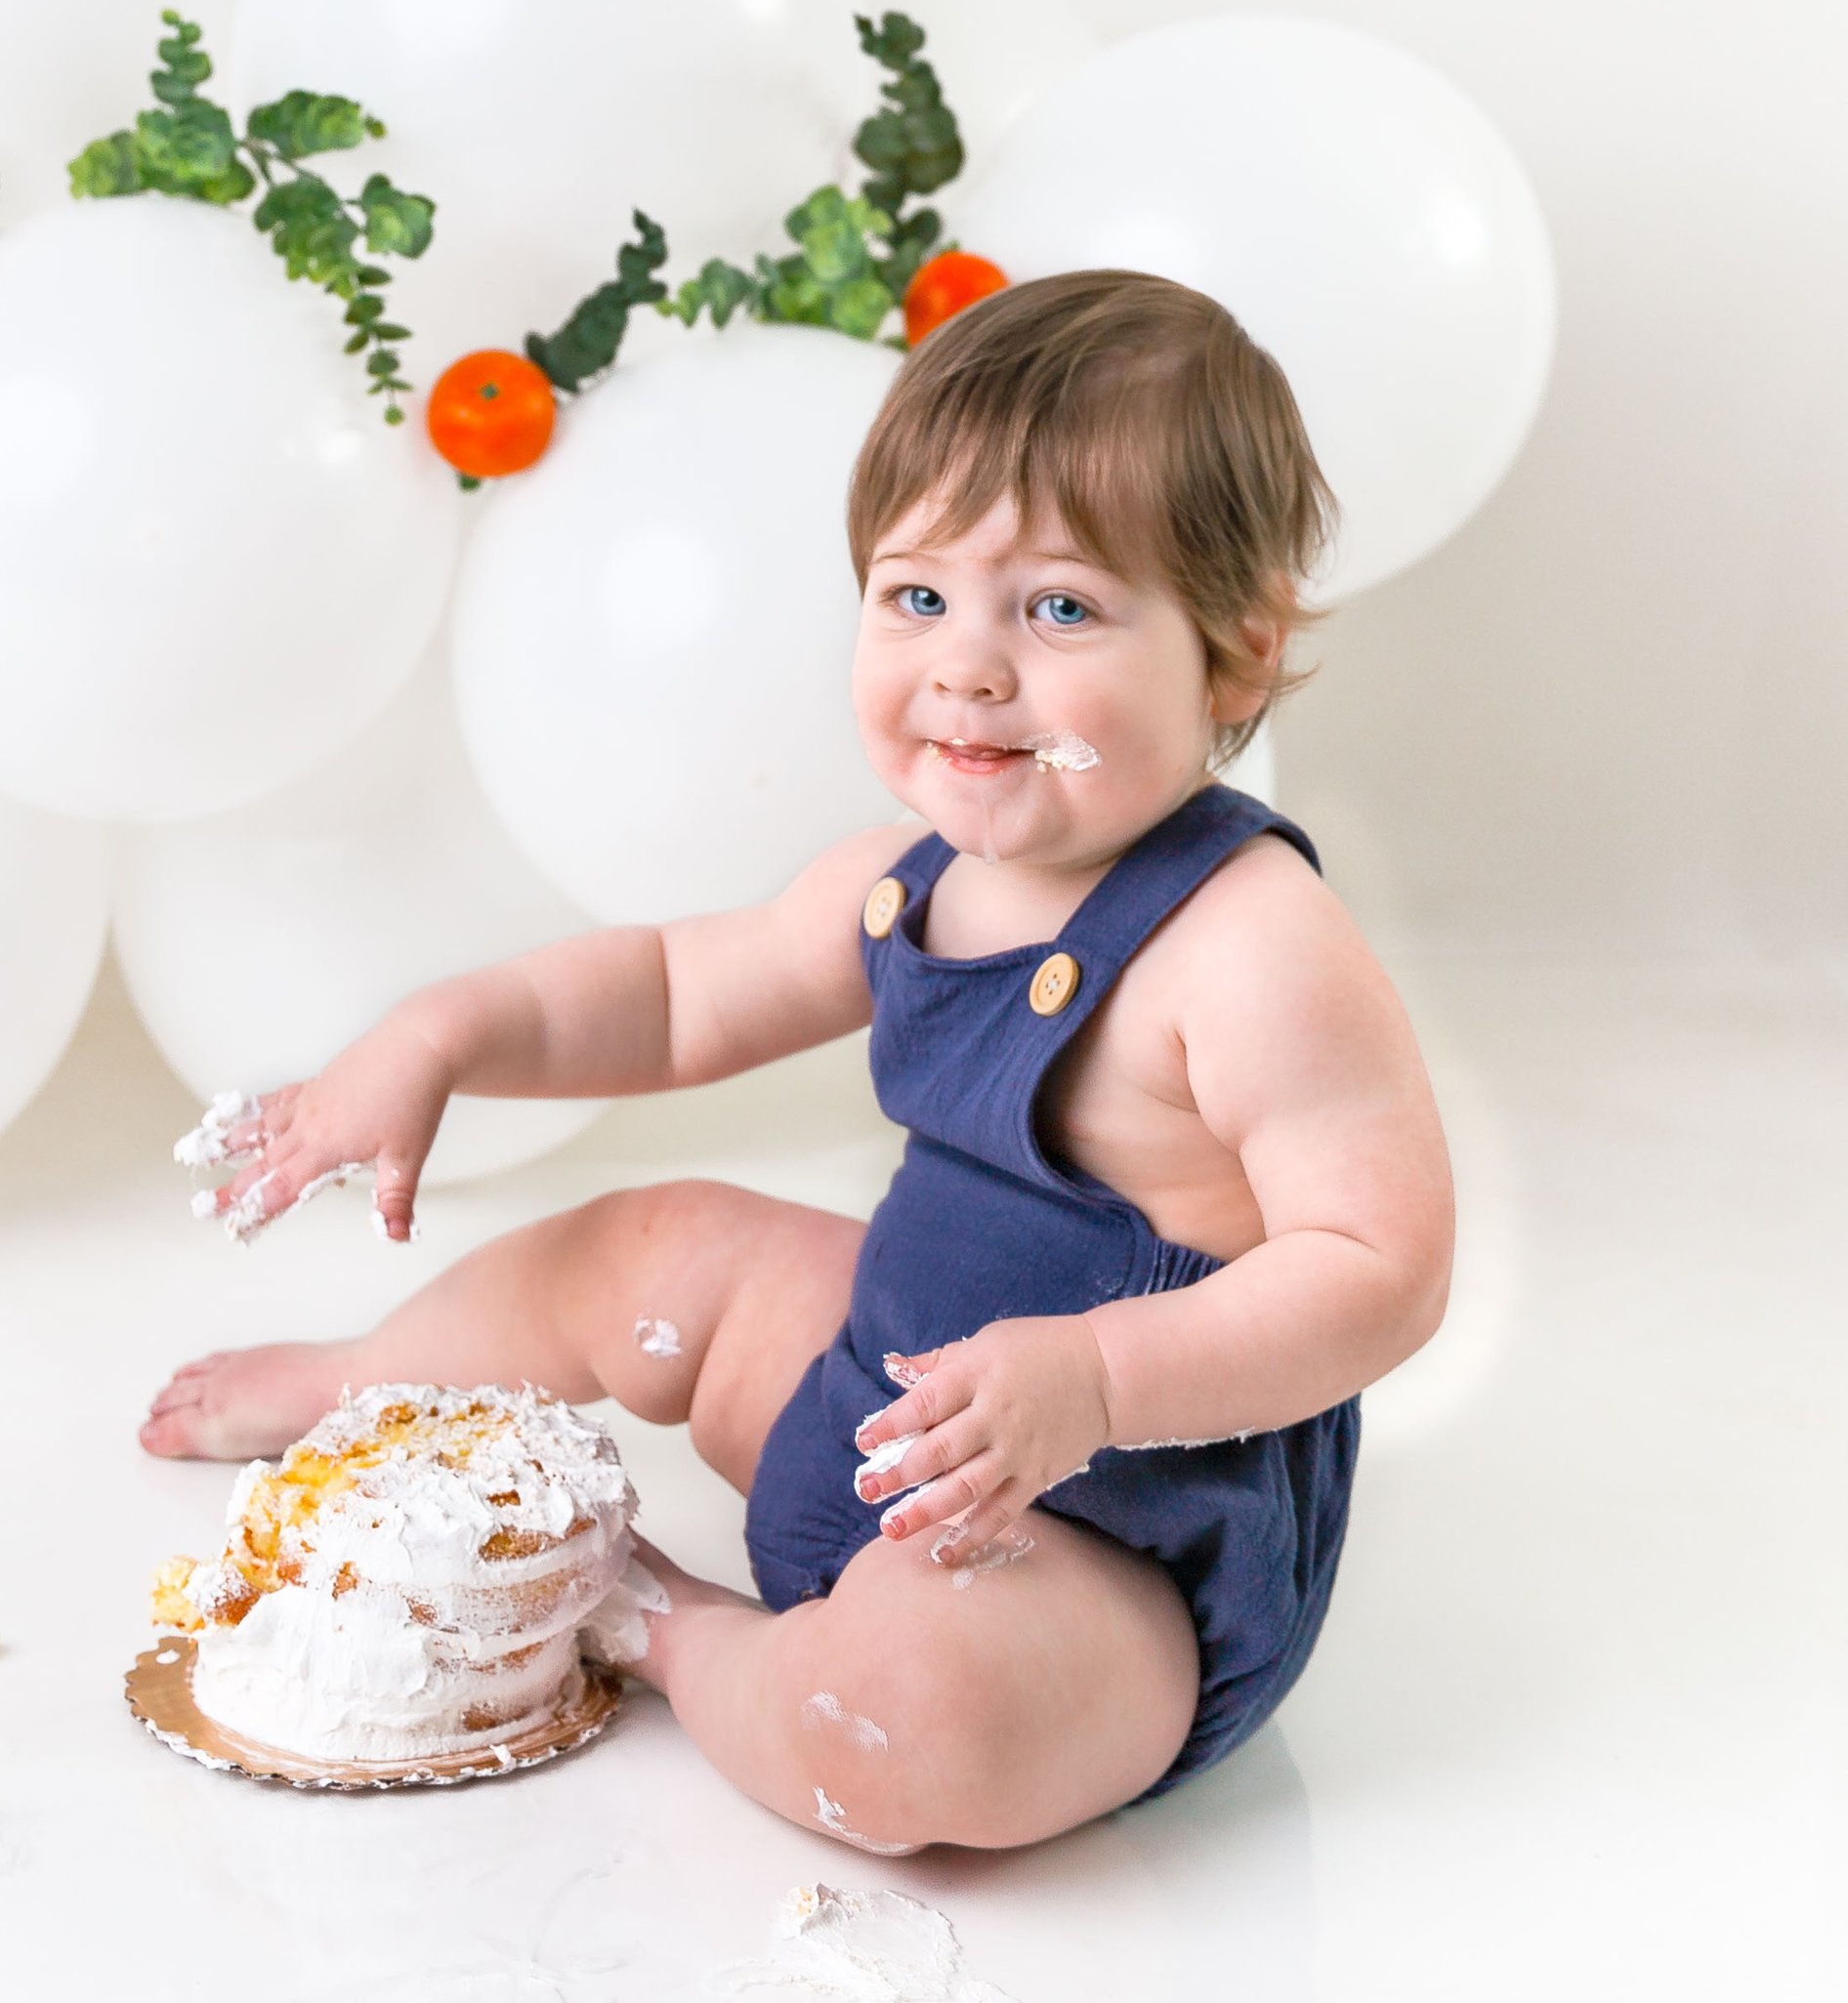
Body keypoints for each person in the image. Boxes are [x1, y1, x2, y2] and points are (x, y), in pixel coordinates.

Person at [141, 271, 1453, 1853]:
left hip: (1110, 1539)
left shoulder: (1254, 947)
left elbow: (1382, 1266)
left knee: (913, 1722)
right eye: (917, 598)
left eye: (1059, 608)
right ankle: (362, 1384)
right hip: (882, 1394)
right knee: (653, 1240)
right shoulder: (910, 878)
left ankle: (674, 1633)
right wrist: (447, 1032)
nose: (969, 665)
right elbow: (674, 989)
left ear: (1233, 663)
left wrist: (1095, 1381)